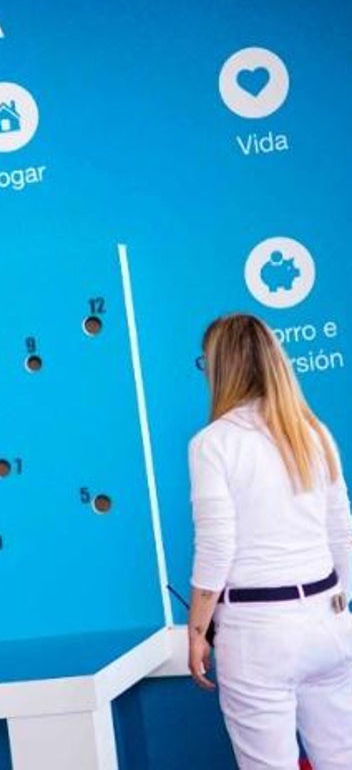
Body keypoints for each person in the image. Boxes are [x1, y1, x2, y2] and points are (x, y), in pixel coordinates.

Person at [187, 313, 352, 769]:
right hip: (329, 623)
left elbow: (217, 545)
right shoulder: (313, 432)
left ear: (222, 367)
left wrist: (197, 632)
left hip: (258, 633)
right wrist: (338, 605)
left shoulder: (213, 443)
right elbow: (343, 532)